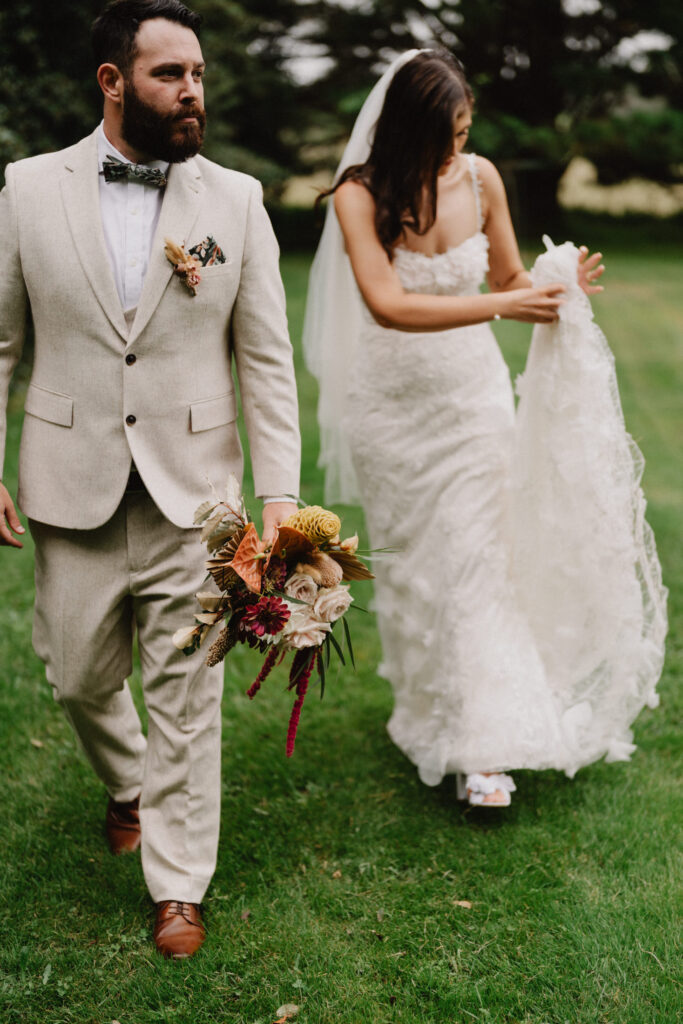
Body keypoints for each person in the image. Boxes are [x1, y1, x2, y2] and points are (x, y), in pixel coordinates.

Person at [0, 0, 300, 958]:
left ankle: (178, 885)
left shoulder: (236, 202)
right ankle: (125, 780)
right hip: (70, 478)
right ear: (113, 81)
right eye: (171, 74)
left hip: (193, 494)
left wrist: (280, 504)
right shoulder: (25, 190)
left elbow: (266, 364)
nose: (192, 92)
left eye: (199, 74)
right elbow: (2, 341)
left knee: (185, 695)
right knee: (77, 674)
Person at [303, 49, 666, 807]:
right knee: (418, 568)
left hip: (469, 398)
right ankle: (427, 710)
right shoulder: (357, 195)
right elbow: (387, 305)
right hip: (391, 406)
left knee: (477, 560)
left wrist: (550, 287)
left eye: (464, 132)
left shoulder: (481, 178)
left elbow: (506, 280)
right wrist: (504, 306)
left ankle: (483, 750)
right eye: (445, 136)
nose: (457, 150)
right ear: (408, 131)